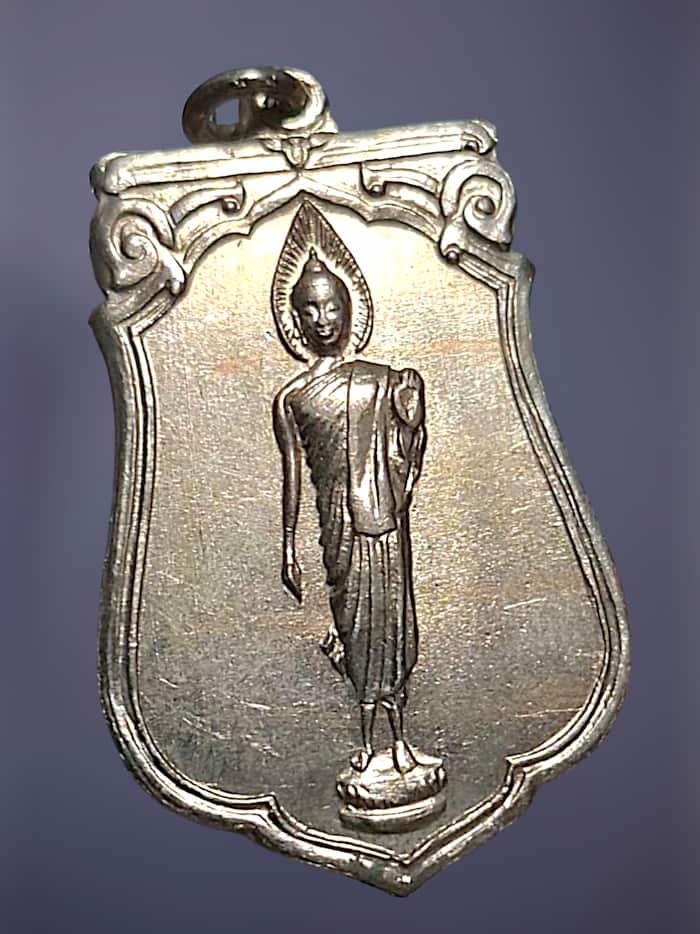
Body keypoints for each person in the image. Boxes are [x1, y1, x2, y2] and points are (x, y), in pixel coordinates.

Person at [273, 248, 426, 774]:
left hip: (382, 519)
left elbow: (405, 448)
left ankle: (401, 739)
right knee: (355, 624)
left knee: (393, 622)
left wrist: (408, 418)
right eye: (310, 309)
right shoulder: (292, 397)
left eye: (331, 306)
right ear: (295, 320)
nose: (322, 319)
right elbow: (293, 474)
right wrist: (288, 545)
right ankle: (365, 742)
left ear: (349, 310)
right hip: (336, 524)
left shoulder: (381, 379)